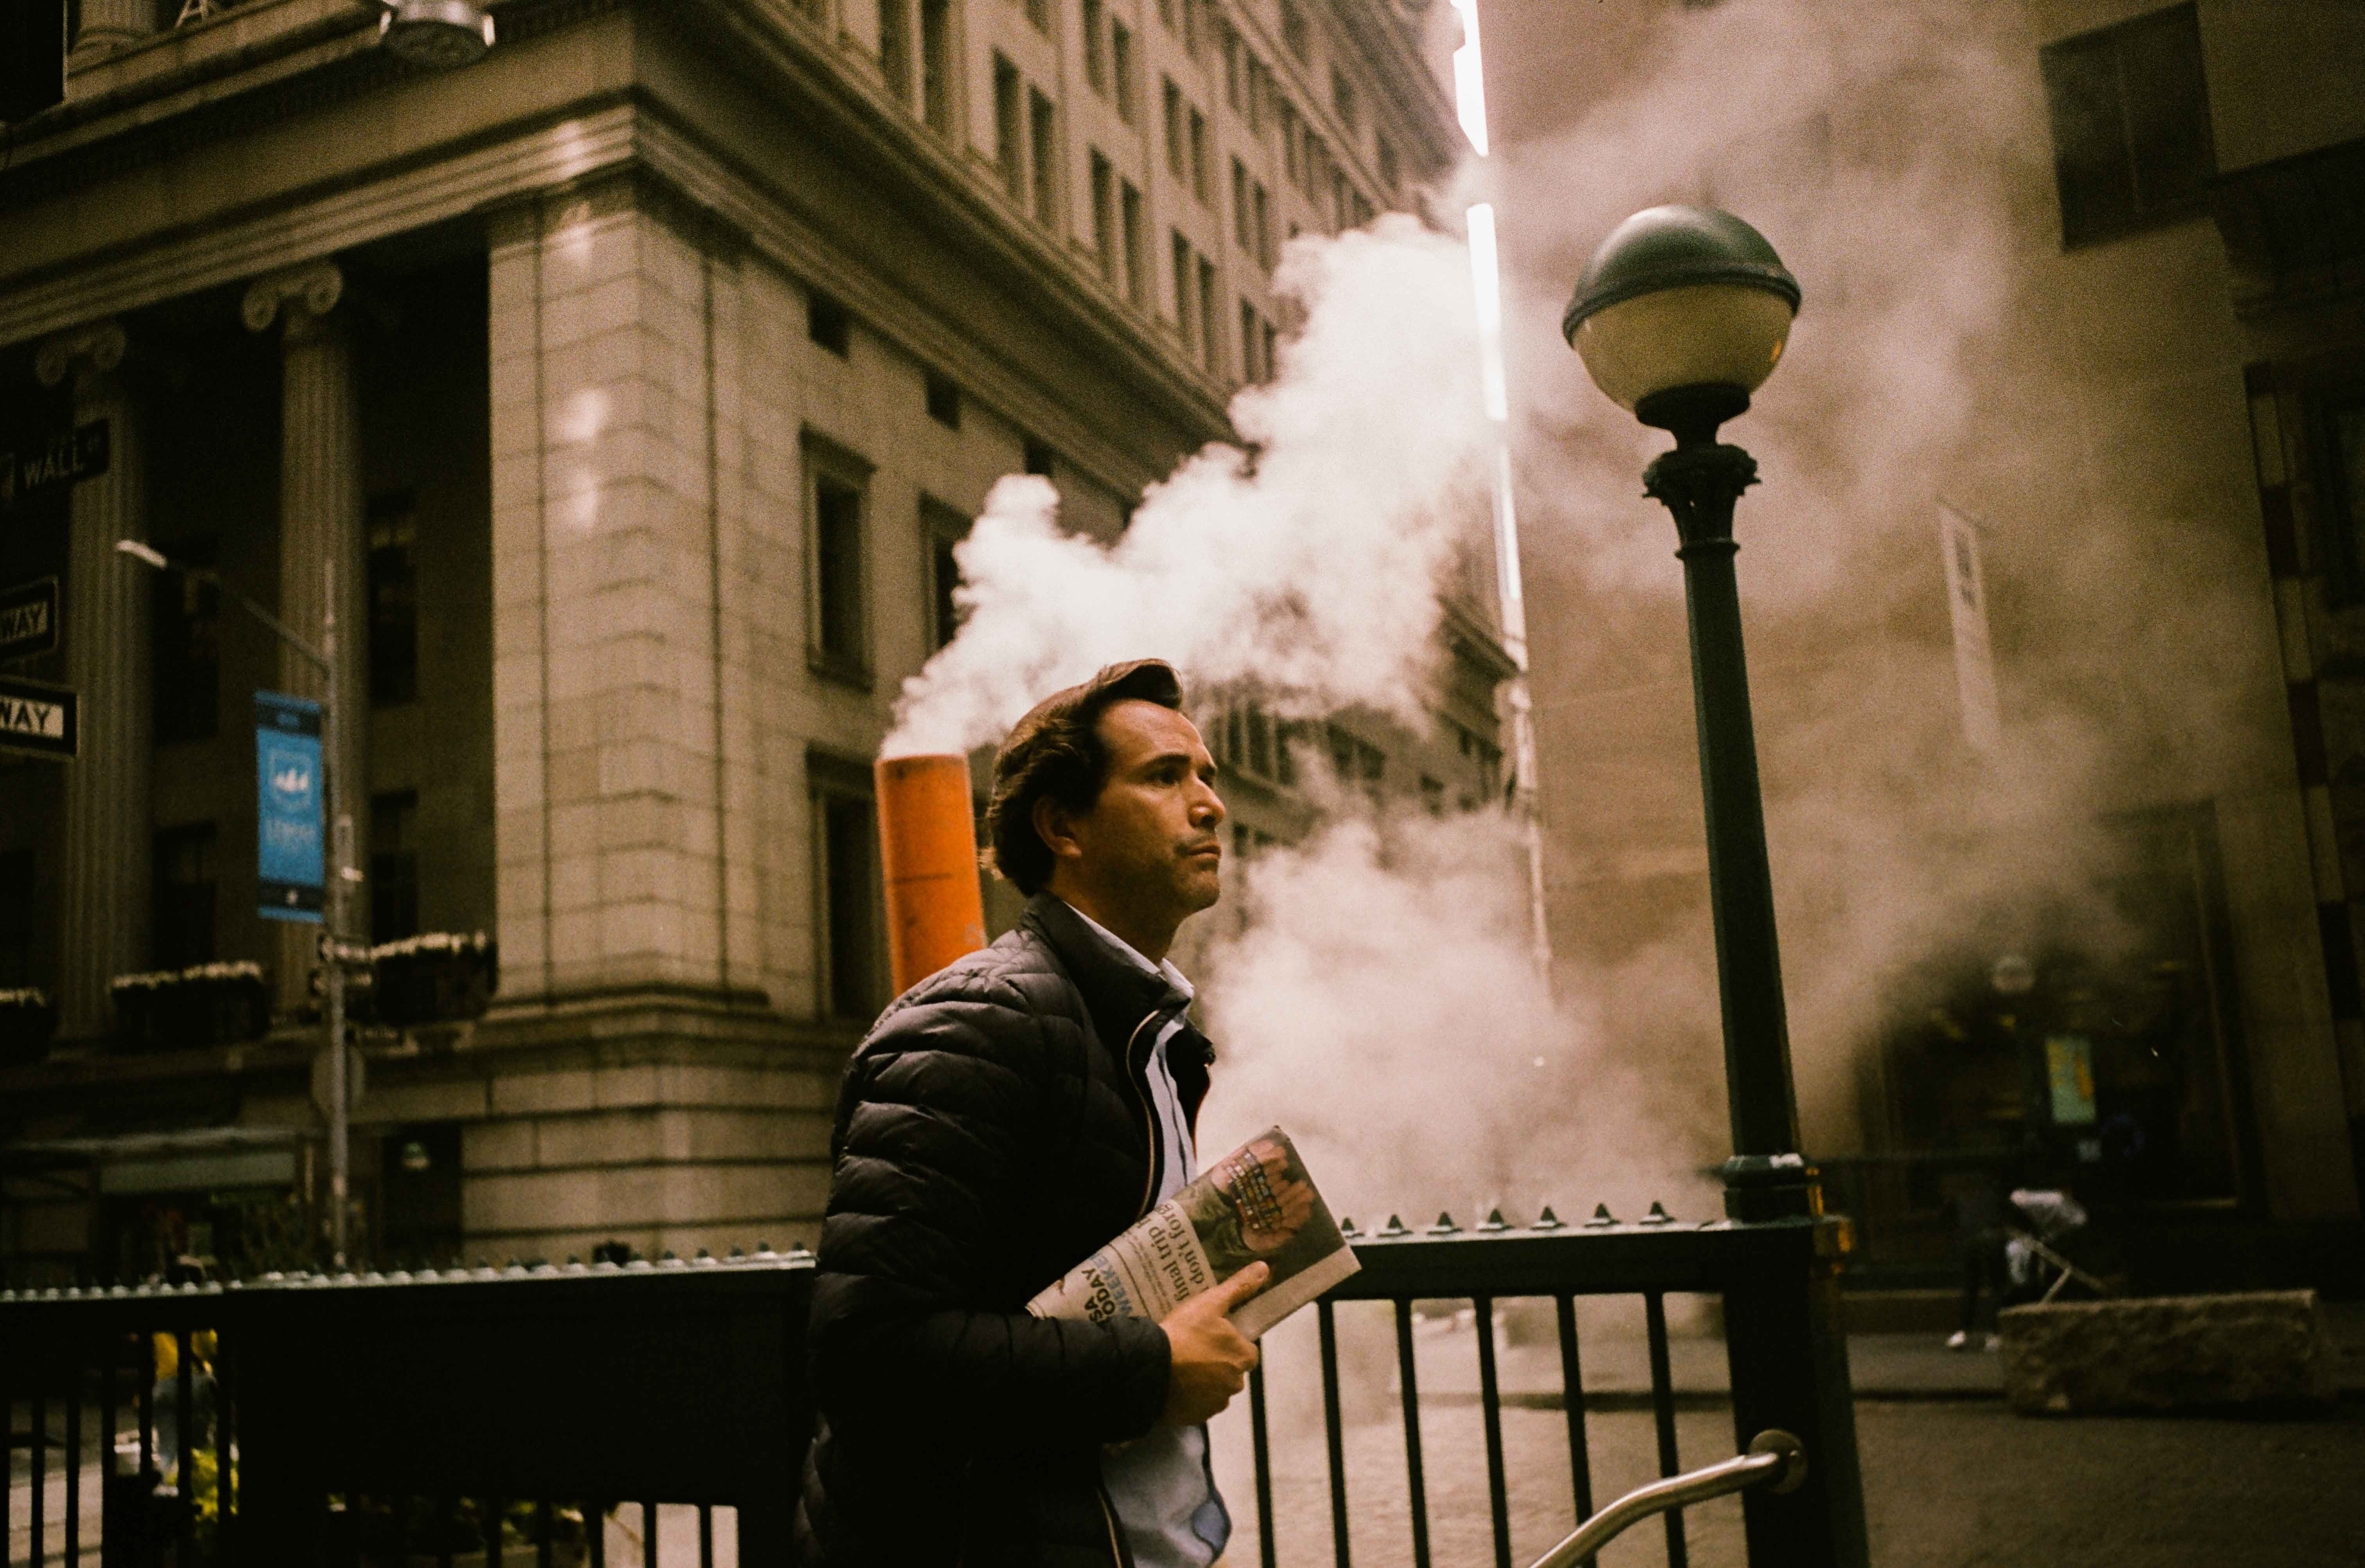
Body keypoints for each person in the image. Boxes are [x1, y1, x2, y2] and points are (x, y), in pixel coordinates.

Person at [797, 659, 1267, 1567]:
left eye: (1207, 775)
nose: (1209, 803)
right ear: (1062, 826)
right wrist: (1151, 1368)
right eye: (1166, 776)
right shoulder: (981, 1021)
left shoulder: (1140, 1030)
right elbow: (869, 1354)